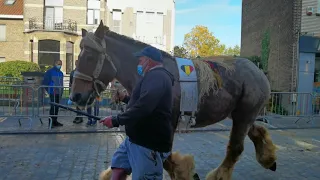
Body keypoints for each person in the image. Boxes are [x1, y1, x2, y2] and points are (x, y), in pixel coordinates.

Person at [99, 46, 175, 179]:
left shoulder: (158, 76)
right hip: (134, 139)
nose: (138, 64)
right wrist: (126, 98)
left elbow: (145, 106)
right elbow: (146, 102)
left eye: (140, 61)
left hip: (147, 143)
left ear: (149, 61)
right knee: (118, 167)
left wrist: (116, 120)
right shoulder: (153, 76)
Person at [42, 60, 64, 127]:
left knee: (57, 107)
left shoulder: (61, 73)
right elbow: (45, 82)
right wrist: (48, 90)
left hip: (58, 92)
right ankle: (51, 122)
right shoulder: (50, 72)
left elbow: (61, 83)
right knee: (53, 107)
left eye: (60, 64)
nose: (59, 65)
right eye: (58, 64)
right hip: (52, 92)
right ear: (55, 64)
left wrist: (61, 91)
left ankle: (55, 121)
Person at [69, 60, 83, 124]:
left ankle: (79, 117)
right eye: (76, 64)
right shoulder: (72, 72)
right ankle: (78, 116)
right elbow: (70, 82)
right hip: (75, 90)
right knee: (77, 105)